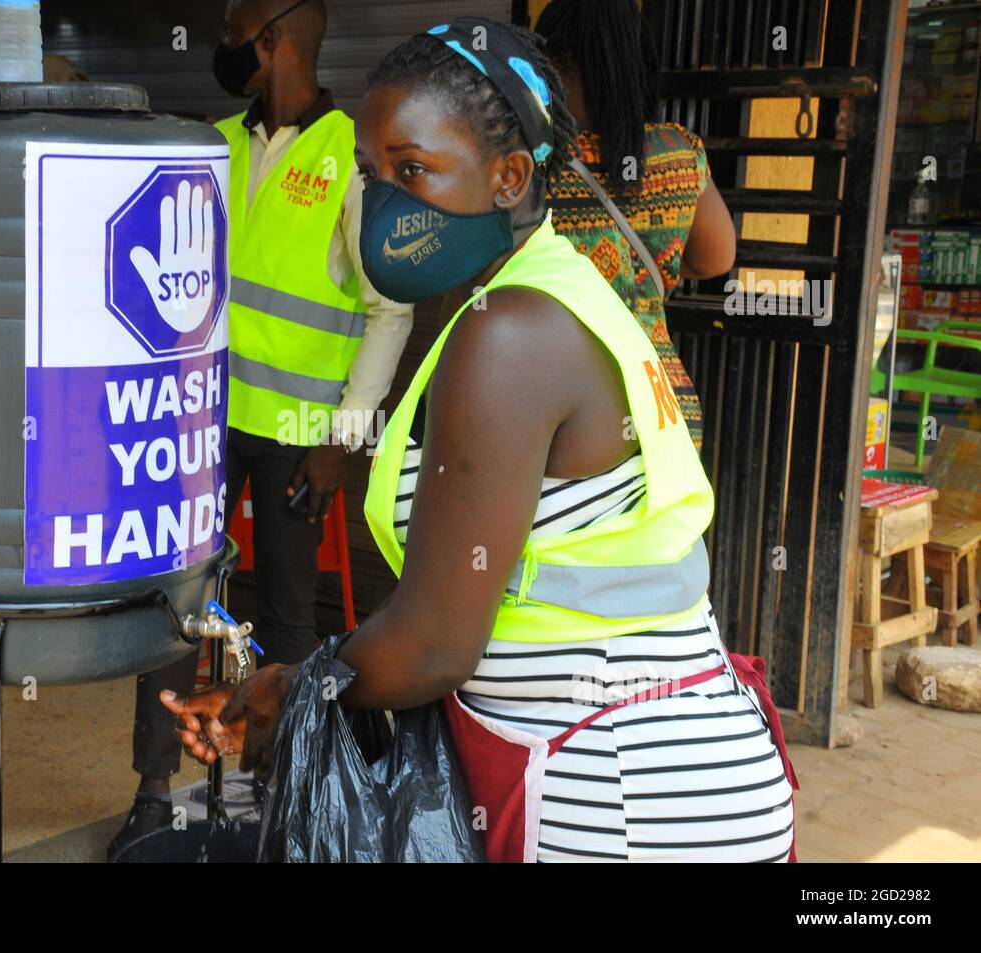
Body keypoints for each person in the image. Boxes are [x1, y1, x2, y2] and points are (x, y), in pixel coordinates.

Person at [165, 19, 796, 863]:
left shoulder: (512, 335)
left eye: (413, 169)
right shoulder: (539, 294)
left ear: (508, 177)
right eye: (371, 171)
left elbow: (432, 643)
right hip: (643, 776)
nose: (384, 200)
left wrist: (287, 686)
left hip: (624, 801)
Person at [108, 0, 413, 856]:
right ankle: (153, 790)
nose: (220, 45)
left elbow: (390, 310)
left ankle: (289, 792)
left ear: (272, 39)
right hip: (199, 429)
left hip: (295, 440)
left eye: (232, 30)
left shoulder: (352, 160)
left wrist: (338, 444)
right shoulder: (212, 145)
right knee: (176, 607)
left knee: (282, 617)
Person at [535, 0, 737, 451]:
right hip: (661, 408)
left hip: (556, 412)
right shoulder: (676, 153)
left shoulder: (522, 167)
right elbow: (715, 258)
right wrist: (646, 265)